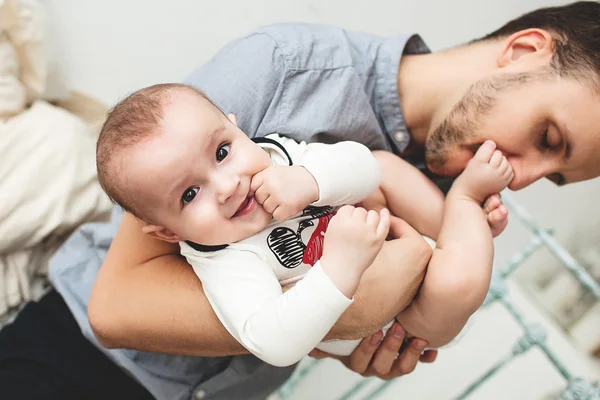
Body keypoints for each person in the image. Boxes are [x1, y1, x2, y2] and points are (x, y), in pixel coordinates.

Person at [1, 2, 599, 400]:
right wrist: (348, 307)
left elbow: (431, 315)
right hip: (74, 358)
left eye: (551, 176)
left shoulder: (447, 198)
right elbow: (113, 306)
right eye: (547, 139)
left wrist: (363, 343)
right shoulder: (287, 69)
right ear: (523, 51)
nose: (520, 179)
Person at [94, 83, 512, 366]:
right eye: (189, 195)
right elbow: (271, 342)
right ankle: (466, 202)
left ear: (236, 127)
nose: (227, 186)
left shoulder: (276, 157)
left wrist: (311, 180)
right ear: (169, 233)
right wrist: (340, 269)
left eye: (222, 151)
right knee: (458, 281)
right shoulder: (225, 259)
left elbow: (363, 167)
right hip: (405, 318)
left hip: (395, 237)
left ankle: (455, 224)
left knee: (382, 165)